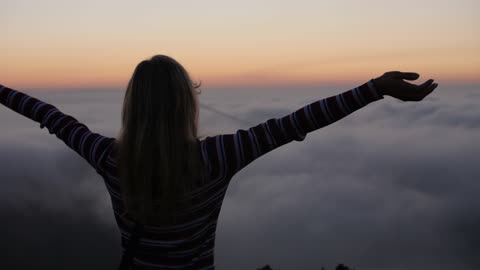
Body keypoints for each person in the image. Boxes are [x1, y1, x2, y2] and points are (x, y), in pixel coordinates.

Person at [0, 54, 438, 270]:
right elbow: (297, 123)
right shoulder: (217, 157)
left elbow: (48, 115)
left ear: (132, 106)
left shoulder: (109, 158)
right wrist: (375, 88)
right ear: (184, 104)